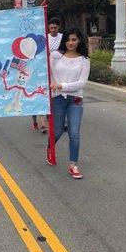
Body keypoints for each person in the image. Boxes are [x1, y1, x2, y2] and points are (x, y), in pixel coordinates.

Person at [49, 27, 90, 179]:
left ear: (79, 40)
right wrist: (53, 86)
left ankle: (73, 165)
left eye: (74, 39)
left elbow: (81, 83)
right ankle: (50, 147)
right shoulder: (55, 56)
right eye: (68, 39)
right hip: (58, 98)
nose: (71, 43)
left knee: (74, 133)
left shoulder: (84, 60)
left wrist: (61, 86)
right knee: (57, 131)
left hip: (76, 99)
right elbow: (49, 73)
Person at [31, 17, 63, 132]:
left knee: (58, 93)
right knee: (42, 93)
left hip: (60, 69)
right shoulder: (45, 37)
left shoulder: (62, 37)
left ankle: (60, 120)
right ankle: (41, 123)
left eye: (55, 27)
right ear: (48, 28)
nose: (53, 29)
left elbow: (64, 51)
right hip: (45, 69)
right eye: (51, 27)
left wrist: (56, 53)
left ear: (58, 27)